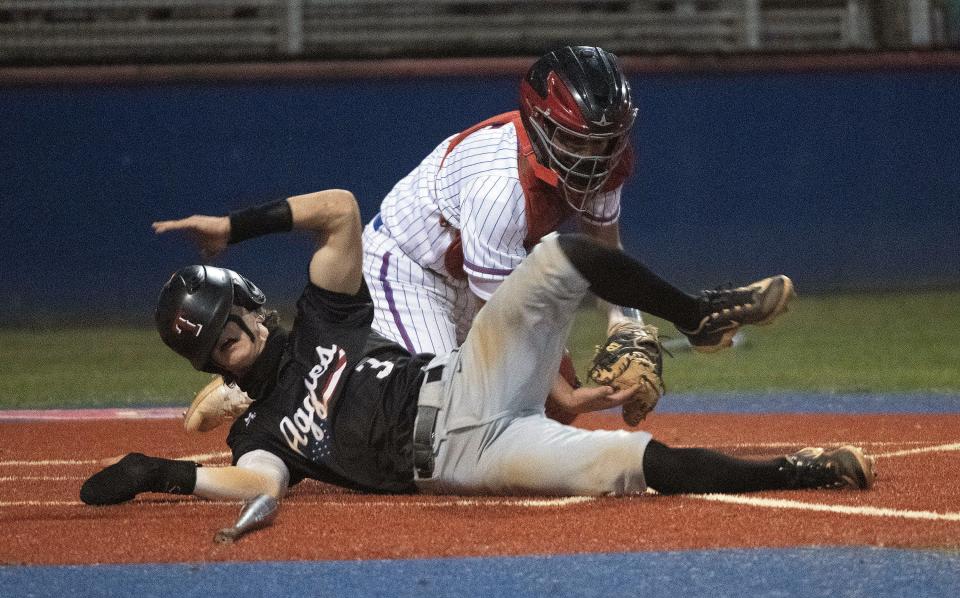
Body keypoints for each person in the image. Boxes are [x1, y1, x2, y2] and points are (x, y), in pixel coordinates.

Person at [80, 189, 873, 514]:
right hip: (461, 455)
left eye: (233, 324)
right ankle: (797, 469)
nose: (235, 343)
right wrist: (163, 475)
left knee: (564, 257)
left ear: (252, 303)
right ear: (212, 366)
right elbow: (253, 479)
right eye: (219, 347)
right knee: (623, 464)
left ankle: (696, 316)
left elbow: (343, 212)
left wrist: (236, 225)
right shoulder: (257, 433)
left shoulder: (321, 316)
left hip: (463, 377)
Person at [362, 44, 661, 423]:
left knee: (546, 410)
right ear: (540, 125)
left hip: (483, 274)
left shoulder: (607, 161)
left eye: (601, 141)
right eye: (574, 139)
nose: (590, 155)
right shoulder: (499, 185)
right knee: (434, 416)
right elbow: (504, 318)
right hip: (412, 272)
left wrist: (625, 321)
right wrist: (565, 394)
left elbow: (604, 249)